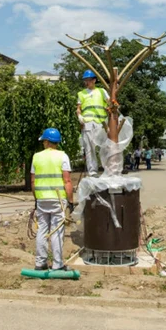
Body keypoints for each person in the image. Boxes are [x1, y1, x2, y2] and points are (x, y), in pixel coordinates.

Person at [30, 128, 74, 271]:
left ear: (47, 141)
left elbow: (33, 182)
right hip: (58, 200)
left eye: (44, 141)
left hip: (42, 199)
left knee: (42, 230)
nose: (43, 143)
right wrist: (71, 201)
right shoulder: (63, 156)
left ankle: (40, 262)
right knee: (56, 231)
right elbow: (67, 181)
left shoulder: (36, 157)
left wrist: (36, 199)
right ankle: (57, 264)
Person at [76, 69, 110, 176]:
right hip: (87, 123)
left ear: (94, 80)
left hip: (101, 123)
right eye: (85, 80)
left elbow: (110, 103)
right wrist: (79, 116)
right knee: (89, 147)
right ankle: (92, 172)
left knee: (104, 146)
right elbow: (78, 108)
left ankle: (107, 169)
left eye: (89, 80)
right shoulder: (81, 94)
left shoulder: (101, 91)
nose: (87, 82)